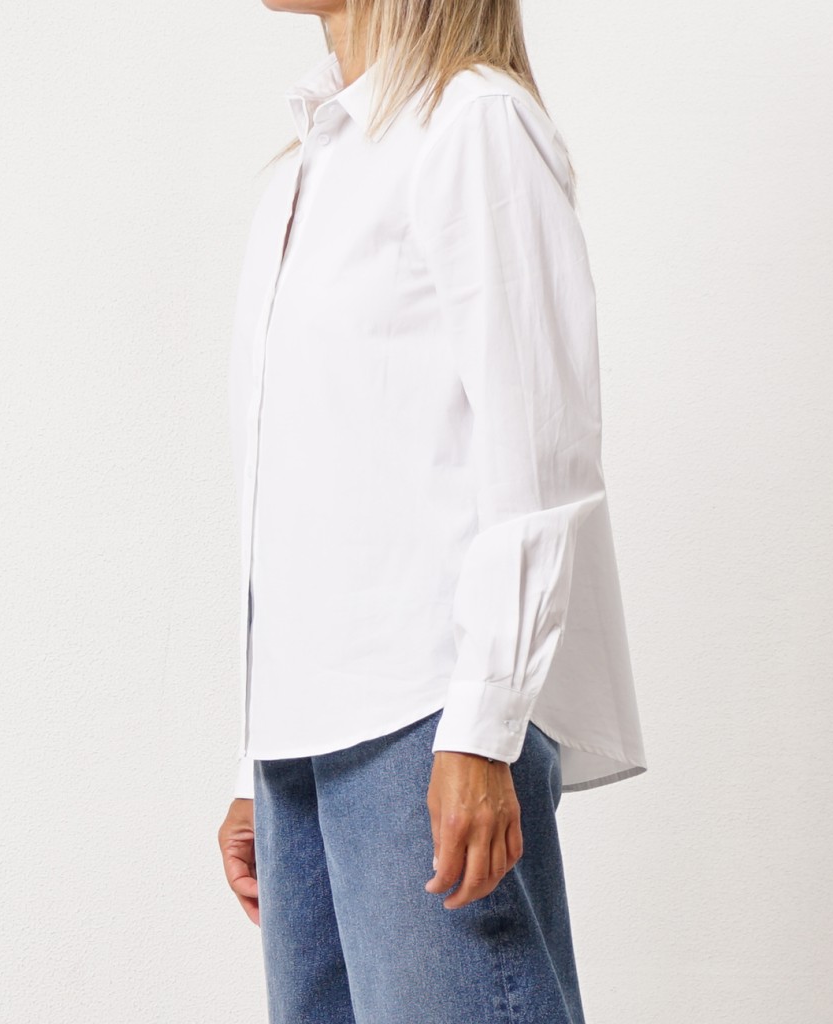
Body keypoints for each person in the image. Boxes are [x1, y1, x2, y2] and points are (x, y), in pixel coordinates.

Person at [217, 2, 647, 1021]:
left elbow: (541, 456)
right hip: (306, 740)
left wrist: (484, 726)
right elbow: (315, 487)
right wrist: (257, 756)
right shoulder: (306, 170)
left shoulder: (472, 126)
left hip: (427, 715)